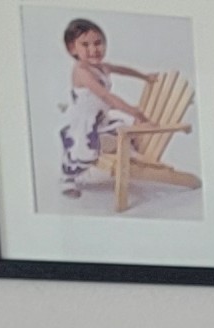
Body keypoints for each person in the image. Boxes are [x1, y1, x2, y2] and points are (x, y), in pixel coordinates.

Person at [56, 19, 149, 199]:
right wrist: (134, 111)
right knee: (81, 149)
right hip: (84, 120)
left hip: (99, 118)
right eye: (85, 45)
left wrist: (144, 76)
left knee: (121, 126)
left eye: (98, 43)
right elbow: (107, 97)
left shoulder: (102, 67)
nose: (94, 49)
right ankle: (68, 180)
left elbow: (122, 70)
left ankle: (131, 153)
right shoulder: (82, 72)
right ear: (72, 49)